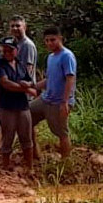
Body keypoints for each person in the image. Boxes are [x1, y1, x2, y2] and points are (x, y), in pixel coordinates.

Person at [31, 26, 77, 158]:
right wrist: (33, 86)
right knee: (26, 117)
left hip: (58, 102)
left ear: (60, 39)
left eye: (53, 40)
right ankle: (35, 154)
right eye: (47, 41)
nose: (49, 43)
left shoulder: (67, 56)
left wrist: (65, 102)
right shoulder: (50, 57)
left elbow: (70, 79)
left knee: (62, 133)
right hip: (46, 99)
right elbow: (49, 79)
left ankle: (66, 163)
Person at [0, 37, 36, 169]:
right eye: (4, 49)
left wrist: (28, 84)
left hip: (22, 105)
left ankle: (30, 167)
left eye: (10, 50)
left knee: (27, 138)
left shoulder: (20, 64)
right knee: (8, 137)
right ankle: (5, 167)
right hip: (7, 106)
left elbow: (30, 81)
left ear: (16, 50)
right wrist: (26, 88)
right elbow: (5, 83)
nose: (7, 52)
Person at [9, 15, 37, 83]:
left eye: (18, 26)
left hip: (24, 88)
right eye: (12, 26)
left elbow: (27, 70)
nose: (15, 28)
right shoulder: (12, 43)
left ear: (24, 27)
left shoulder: (27, 45)